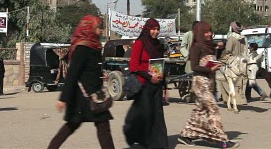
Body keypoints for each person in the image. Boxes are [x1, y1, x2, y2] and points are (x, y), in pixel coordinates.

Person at [48, 15, 114, 149]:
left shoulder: (93, 46)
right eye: (98, 27)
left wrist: (99, 74)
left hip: (93, 95)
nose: (101, 30)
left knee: (103, 127)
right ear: (89, 28)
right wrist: (63, 99)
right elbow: (72, 74)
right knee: (72, 126)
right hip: (81, 97)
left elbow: (88, 70)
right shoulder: (83, 48)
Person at [178, 21, 240, 148]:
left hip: (210, 82)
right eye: (206, 32)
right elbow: (194, 66)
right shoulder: (196, 47)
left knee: (199, 111)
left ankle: (185, 135)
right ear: (200, 33)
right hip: (201, 83)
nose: (209, 34)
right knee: (213, 108)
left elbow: (210, 61)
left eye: (210, 31)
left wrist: (215, 65)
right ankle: (222, 140)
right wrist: (209, 69)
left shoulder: (209, 46)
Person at [123, 18, 169, 148]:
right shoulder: (140, 43)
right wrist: (150, 78)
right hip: (144, 85)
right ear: (147, 29)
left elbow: (161, 64)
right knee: (145, 114)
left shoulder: (158, 44)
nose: (155, 32)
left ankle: (160, 145)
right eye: (153, 29)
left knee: (158, 115)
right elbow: (134, 66)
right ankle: (141, 139)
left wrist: (165, 86)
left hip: (157, 85)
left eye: (157, 29)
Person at [218, 21, 248, 105]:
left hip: (233, 60)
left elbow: (228, 50)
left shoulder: (231, 38)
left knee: (221, 75)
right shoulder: (244, 38)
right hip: (243, 61)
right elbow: (246, 50)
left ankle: (227, 98)